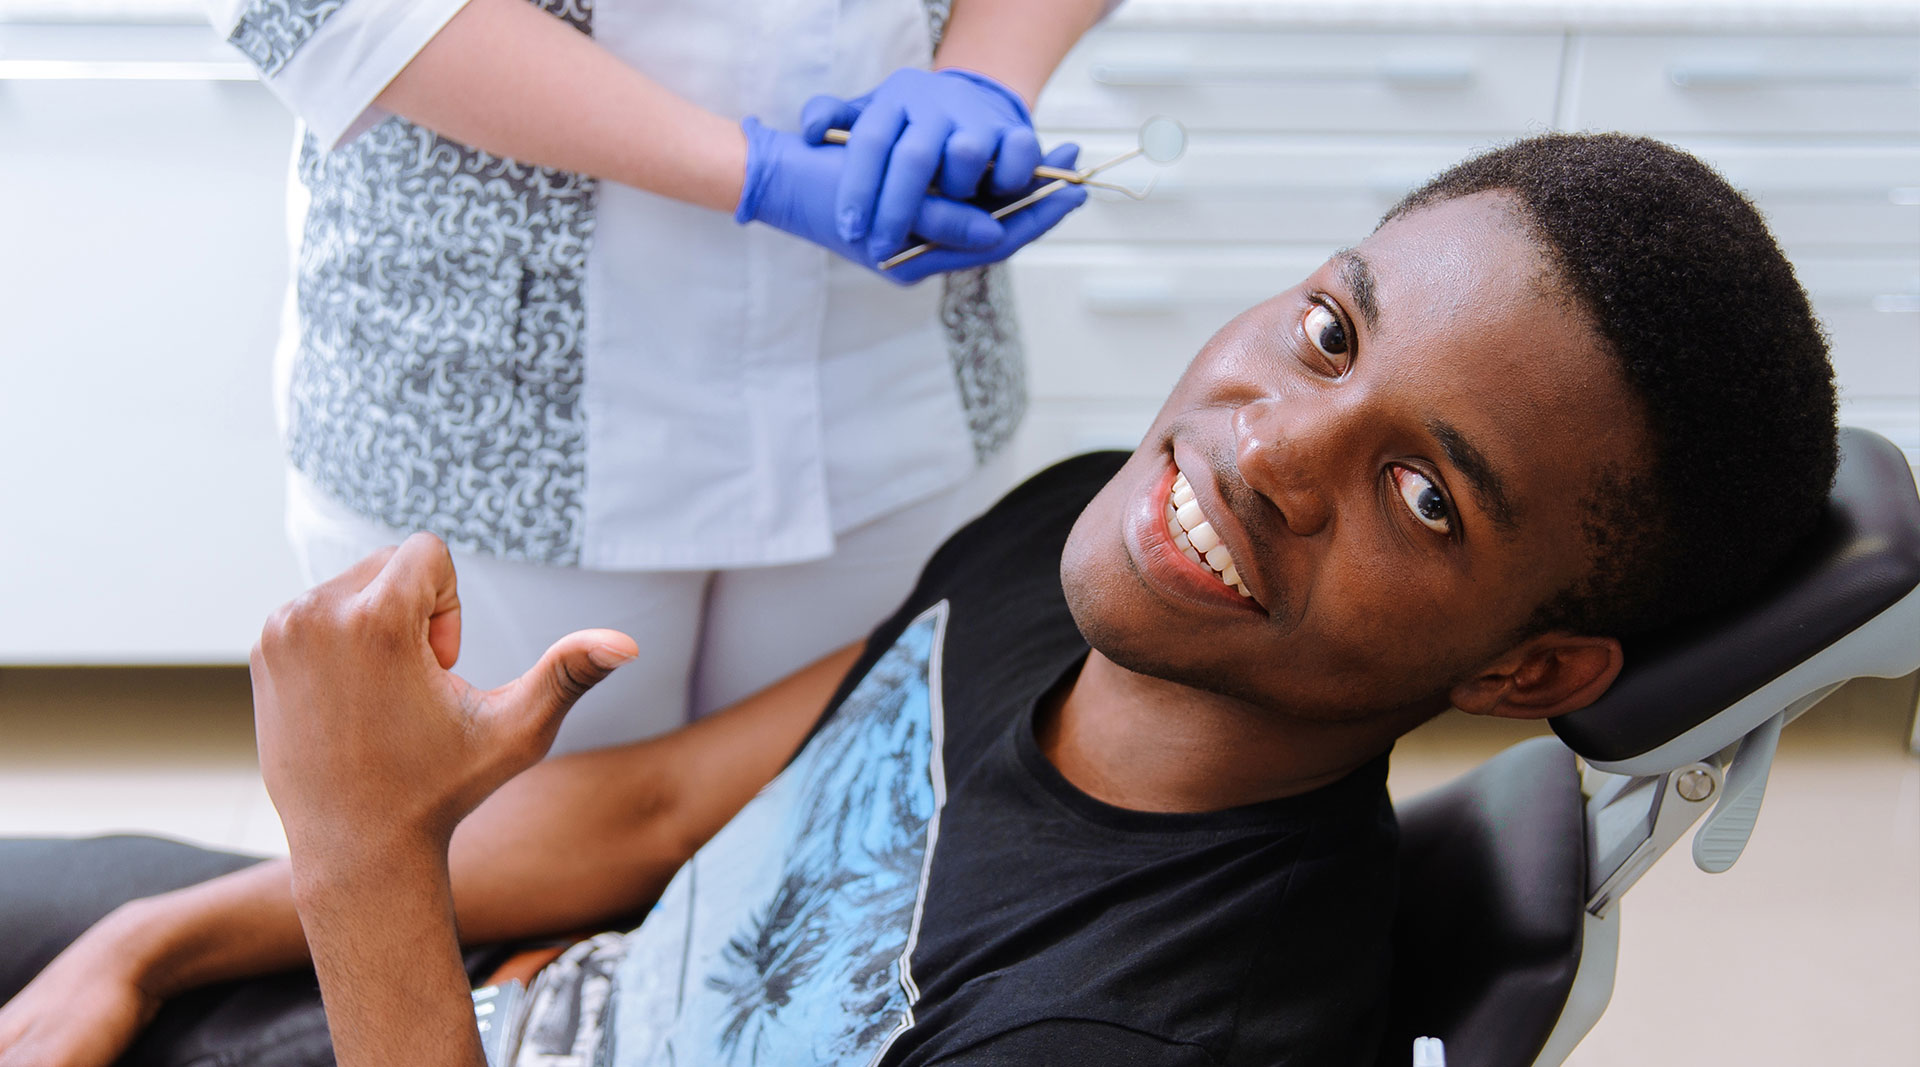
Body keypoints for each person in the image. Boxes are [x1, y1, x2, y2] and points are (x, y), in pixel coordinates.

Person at [0, 134, 1838, 1067]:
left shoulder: (1130, 1032)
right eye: (1327, 329)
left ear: (1528, 663)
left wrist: (364, 857)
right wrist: (146, 948)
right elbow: (648, 811)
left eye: (1425, 494)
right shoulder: (1089, 559)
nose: (1270, 447)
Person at [211, 0, 1114, 753]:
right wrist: (752, 173)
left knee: (845, 872)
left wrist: (988, 71)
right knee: (491, 890)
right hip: (492, 409)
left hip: (897, 380)